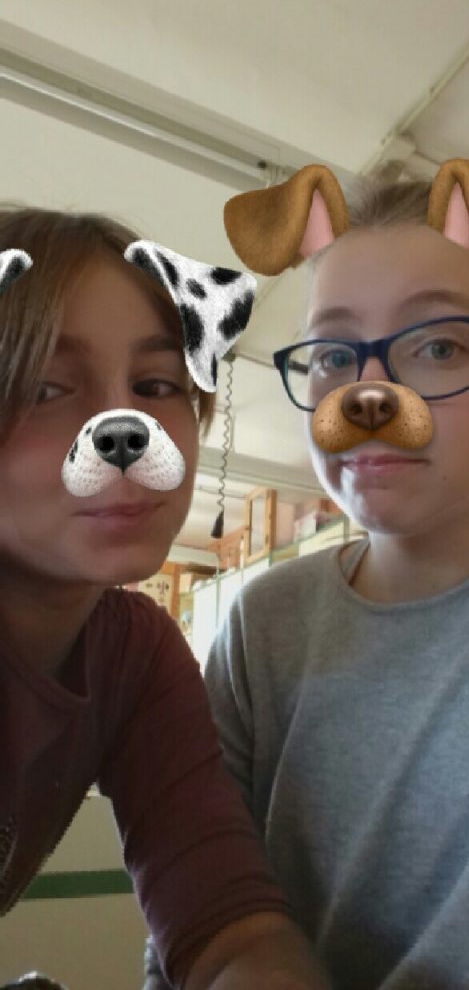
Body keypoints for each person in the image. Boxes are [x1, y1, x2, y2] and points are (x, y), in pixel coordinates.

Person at [148, 160, 469, 989]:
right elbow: (194, 927)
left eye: (440, 345)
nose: (369, 395)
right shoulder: (265, 627)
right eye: (334, 355)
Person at [0, 206, 333, 990]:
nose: (124, 428)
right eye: (46, 387)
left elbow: (223, 922)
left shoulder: (137, 654)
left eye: (156, 386)